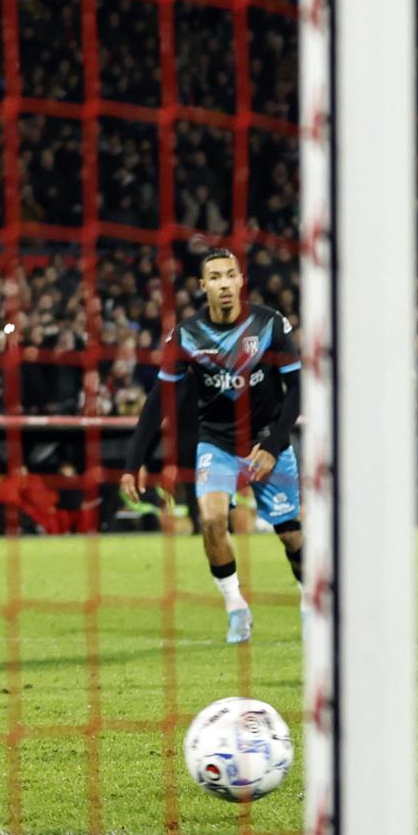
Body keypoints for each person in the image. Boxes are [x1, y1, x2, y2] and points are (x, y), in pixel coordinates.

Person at [122, 249, 302, 644]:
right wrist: (133, 462)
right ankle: (236, 607)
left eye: (230, 275)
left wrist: (273, 444)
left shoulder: (269, 324)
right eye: (215, 277)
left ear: (241, 280)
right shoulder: (186, 336)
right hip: (217, 444)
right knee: (211, 521)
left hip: (266, 441)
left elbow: (298, 390)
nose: (224, 283)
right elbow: (159, 401)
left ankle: (310, 601)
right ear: (203, 286)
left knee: (291, 534)